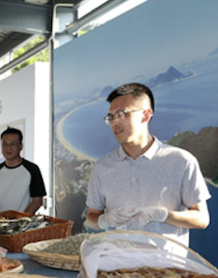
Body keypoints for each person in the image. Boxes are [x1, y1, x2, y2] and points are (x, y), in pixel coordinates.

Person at [86, 83, 210, 244]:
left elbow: (202, 219)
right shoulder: (102, 167)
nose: (114, 122)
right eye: (110, 117)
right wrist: (105, 220)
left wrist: (162, 215)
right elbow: (92, 218)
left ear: (146, 115)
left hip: (165, 260)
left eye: (121, 114)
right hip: (115, 258)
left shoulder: (181, 160)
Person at [0, 127, 46, 214]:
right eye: (5, 144)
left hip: (23, 222)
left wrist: (21, 219)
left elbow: (37, 201)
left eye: (13, 144)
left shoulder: (32, 169)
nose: (8, 148)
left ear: (21, 146)